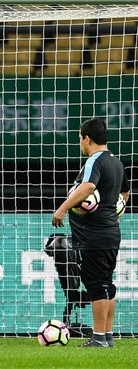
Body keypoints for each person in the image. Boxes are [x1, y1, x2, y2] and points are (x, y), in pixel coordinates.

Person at [52, 117, 130, 347]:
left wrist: (63, 208)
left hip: (95, 233)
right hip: (111, 230)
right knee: (106, 282)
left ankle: (98, 337)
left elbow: (88, 187)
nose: (80, 144)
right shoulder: (116, 162)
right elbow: (125, 194)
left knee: (96, 283)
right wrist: (113, 213)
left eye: (80, 139)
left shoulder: (94, 161)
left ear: (87, 138)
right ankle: (106, 336)